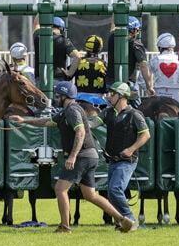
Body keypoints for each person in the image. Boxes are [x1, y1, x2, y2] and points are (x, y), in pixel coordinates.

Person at [8, 82, 136, 234]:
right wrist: (25, 121)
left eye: (57, 96)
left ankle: (65, 226)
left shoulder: (73, 111)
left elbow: (80, 132)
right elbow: (47, 122)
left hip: (81, 156)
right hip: (90, 156)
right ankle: (123, 220)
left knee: (60, 189)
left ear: (65, 96)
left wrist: (73, 156)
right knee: (90, 195)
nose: (55, 99)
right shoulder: (66, 111)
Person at [101, 82, 150, 224]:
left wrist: (130, 149)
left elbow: (146, 134)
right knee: (112, 192)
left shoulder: (135, 114)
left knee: (115, 189)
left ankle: (131, 219)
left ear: (121, 96)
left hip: (127, 161)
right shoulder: (108, 112)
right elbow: (93, 124)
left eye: (112, 94)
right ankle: (122, 221)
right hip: (112, 160)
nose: (110, 97)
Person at [109, 17, 155, 97]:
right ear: (132, 30)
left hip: (110, 82)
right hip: (127, 83)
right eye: (137, 30)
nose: (137, 33)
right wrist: (149, 86)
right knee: (137, 107)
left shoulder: (111, 37)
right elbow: (143, 66)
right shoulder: (137, 45)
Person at [152, 32, 179, 106]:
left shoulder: (154, 60)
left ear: (160, 47)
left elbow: (142, 79)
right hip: (178, 96)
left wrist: (149, 90)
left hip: (158, 95)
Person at [47, 17, 83, 81]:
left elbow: (36, 25)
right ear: (61, 28)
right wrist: (69, 73)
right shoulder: (63, 40)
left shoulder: (39, 38)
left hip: (41, 77)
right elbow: (77, 56)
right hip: (58, 77)